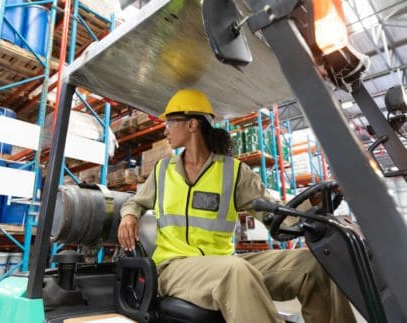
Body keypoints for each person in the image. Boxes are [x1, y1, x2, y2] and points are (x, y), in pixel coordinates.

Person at [117, 89, 356, 323]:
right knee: (234, 271)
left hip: (223, 261)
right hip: (175, 267)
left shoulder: (233, 172)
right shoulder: (162, 170)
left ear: (192, 125)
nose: (165, 129)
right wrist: (129, 216)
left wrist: (313, 205)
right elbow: (135, 202)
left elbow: (276, 213)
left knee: (312, 264)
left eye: (170, 122)